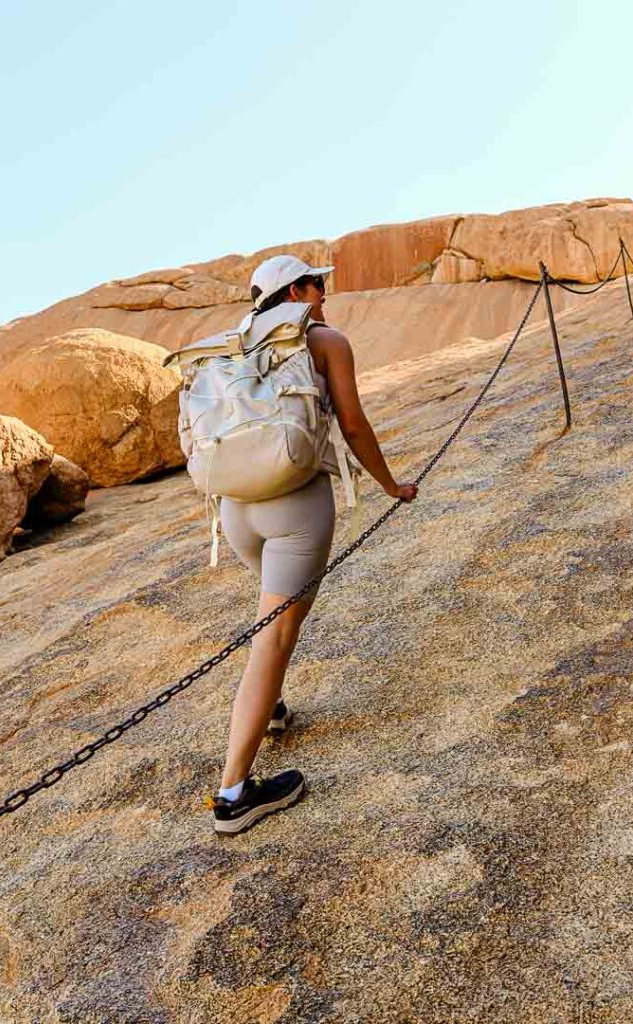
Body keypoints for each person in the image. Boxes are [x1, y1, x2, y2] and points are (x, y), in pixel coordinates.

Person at [210, 255, 418, 834]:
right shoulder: (323, 339)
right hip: (294, 505)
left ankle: (270, 708)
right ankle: (233, 794)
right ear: (297, 291)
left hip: (236, 509)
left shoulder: (234, 343)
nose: (324, 294)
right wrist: (390, 485)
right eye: (317, 285)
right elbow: (352, 424)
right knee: (275, 631)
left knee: (276, 616)